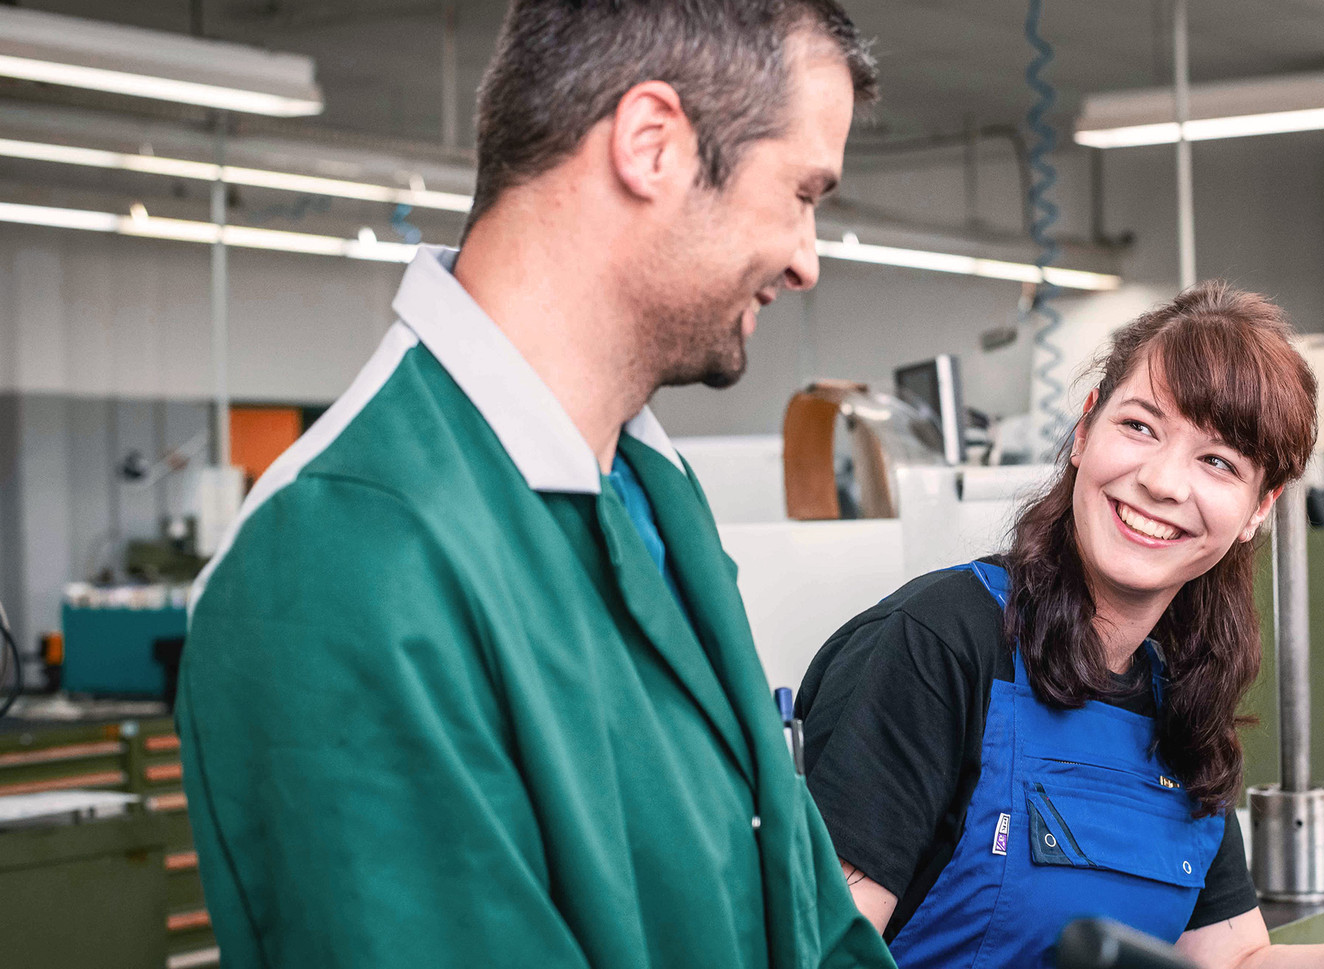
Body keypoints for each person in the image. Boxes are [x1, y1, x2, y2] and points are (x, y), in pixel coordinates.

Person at [176, 3, 892, 967]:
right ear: (652, 145)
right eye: (803, 193)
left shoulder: (655, 491)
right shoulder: (340, 564)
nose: (807, 260)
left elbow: (806, 912)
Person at [796, 283, 1324, 968]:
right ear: (1084, 431)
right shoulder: (935, 647)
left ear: (1260, 507)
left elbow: (1231, 963)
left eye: (1218, 461)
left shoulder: (1182, 711)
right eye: (1139, 426)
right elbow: (821, 948)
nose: (1164, 481)